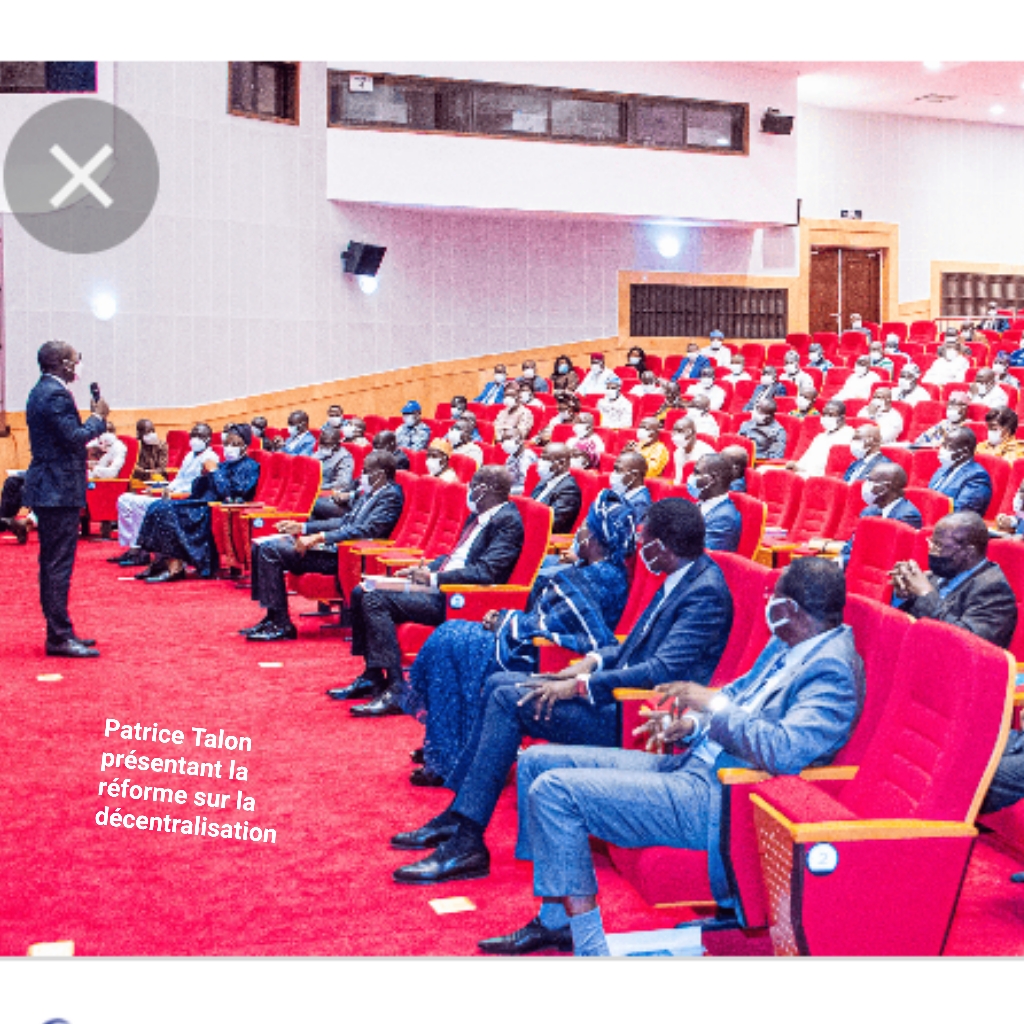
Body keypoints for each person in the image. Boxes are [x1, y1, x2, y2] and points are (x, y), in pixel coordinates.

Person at [477, 557, 863, 955]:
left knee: (555, 791)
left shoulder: (831, 671)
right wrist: (690, 724)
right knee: (537, 763)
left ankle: (589, 947)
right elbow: (740, 697)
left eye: (774, 598)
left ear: (791, 609)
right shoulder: (788, 641)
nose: (768, 604)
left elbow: (784, 750)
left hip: (721, 797)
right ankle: (555, 920)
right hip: (693, 764)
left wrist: (711, 706)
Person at [389, 499, 735, 887]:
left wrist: (580, 685)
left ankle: (468, 839)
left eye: (645, 539)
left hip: (638, 715)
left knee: (508, 699)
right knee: (500, 683)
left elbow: (661, 671)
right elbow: (634, 645)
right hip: (620, 695)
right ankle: (459, 817)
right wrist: (589, 662)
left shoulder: (704, 593)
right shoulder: (681, 576)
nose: (639, 545)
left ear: (663, 546)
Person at [397, 492, 635, 785]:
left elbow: (567, 628)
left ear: (595, 538)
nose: (579, 532)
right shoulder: (590, 569)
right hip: (526, 638)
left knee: (449, 641)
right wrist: (509, 619)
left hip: (543, 653)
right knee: (449, 637)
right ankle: (446, 745)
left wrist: (506, 621)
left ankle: (447, 755)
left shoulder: (602, 577)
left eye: (585, 526)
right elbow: (550, 617)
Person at [344, 466, 526, 717]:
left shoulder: (507, 522)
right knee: (361, 590)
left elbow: (486, 572)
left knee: (375, 599)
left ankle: (397, 691)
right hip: (442, 586)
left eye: (473, 485)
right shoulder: (478, 517)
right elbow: (454, 557)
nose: (469, 490)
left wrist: (433, 578)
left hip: (461, 598)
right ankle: (372, 675)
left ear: (485, 490)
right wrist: (425, 569)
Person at [242, 452, 405, 642]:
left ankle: (281, 624)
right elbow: (344, 521)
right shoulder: (371, 492)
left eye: (366, 471)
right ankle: (272, 618)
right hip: (337, 549)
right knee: (263, 546)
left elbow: (366, 530)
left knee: (272, 550)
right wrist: (303, 527)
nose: (361, 475)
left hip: (350, 557)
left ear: (381, 474)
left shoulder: (390, 496)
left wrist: (320, 537)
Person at [23, 340, 109, 657]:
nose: (79, 365)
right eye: (76, 359)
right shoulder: (55, 394)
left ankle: (61, 630)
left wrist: (85, 447)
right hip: (57, 490)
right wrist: (97, 419)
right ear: (63, 363)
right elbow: (73, 436)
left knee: (53, 564)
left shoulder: (41, 390)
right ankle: (59, 637)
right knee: (57, 565)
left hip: (51, 485)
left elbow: (60, 441)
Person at [135, 424, 261, 583]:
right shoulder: (223, 465)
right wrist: (203, 476)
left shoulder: (250, 467)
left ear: (245, 446)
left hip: (213, 508)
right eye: (227, 443)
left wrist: (215, 472)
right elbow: (198, 489)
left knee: (167, 511)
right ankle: (160, 562)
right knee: (157, 506)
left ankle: (175, 567)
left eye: (235, 444)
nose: (229, 448)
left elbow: (230, 495)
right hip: (200, 502)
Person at [890, 512, 1017, 649]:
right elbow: (908, 623)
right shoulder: (940, 573)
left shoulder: (994, 590)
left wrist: (926, 594)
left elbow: (967, 644)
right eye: (931, 543)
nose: (931, 552)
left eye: (939, 546)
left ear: (968, 552)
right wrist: (903, 595)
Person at [114, 423, 220, 567]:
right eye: (193, 435)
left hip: (184, 499)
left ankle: (140, 551)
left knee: (142, 506)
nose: (195, 439)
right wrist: (165, 488)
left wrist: (173, 493)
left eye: (199, 436)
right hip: (172, 494)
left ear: (208, 439)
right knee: (124, 499)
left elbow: (199, 487)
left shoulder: (210, 458)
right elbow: (179, 479)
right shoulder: (190, 455)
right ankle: (133, 548)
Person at [839, 463, 922, 567]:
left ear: (885, 488)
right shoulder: (868, 511)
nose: (866, 485)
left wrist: (841, 563)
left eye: (871, 481)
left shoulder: (907, 517)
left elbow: (881, 556)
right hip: (855, 567)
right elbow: (852, 545)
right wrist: (840, 560)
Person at [927, 429, 993, 516]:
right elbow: (928, 496)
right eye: (943, 445)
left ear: (965, 452)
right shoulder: (943, 469)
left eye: (948, 447)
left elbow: (963, 511)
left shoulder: (977, 477)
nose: (941, 450)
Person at [689, 453, 741, 552]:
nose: (692, 477)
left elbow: (704, 555)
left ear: (712, 479)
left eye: (697, 473)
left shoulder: (724, 518)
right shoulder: (702, 503)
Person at [788, 400, 854, 477]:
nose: (826, 418)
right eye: (824, 414)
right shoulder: (820, 437)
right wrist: (795, 466)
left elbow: (833, 467)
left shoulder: (849, 435)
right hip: (805, 474)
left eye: (831, 415)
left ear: (842, 418)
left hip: (823, 477)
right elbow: (804, 462)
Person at [530, 444, 582, 534]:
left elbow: (552, 522)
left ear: (561, 463)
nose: (540, 463)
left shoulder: (569, 490)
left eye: (546, 459)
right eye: (541, 458)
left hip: (544, 535)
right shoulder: (544, 481)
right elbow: (530, 504)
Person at [308, 426, 356, 521]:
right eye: (321, 443)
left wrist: (319, 487)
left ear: (337, 444)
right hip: (315, 492)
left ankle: (307, 527)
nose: (322, 447)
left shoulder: (344, 458)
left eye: (326, 444)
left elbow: (342, 483)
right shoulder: (319, 453)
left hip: (333, 498)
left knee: (310, 503)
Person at [669, 417, 715, 484]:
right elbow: (679, 480)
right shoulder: (677, 453)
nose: (676, 435)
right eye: (674, 432)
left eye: (680, 431)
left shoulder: (706, 452)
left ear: (693, 433)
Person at [610, 450, 652, 520]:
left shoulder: (640, 503)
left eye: (618, 470)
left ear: (634, 475)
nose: (613, 474)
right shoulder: (623, 492)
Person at [500, 428, 539, 495]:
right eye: (503, 440)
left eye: (509, 439)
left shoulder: (527, 458)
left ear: (520, 441)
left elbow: (525, 486)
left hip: (519, 492)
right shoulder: (512, 456)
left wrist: (505, 491)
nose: (505, 443)